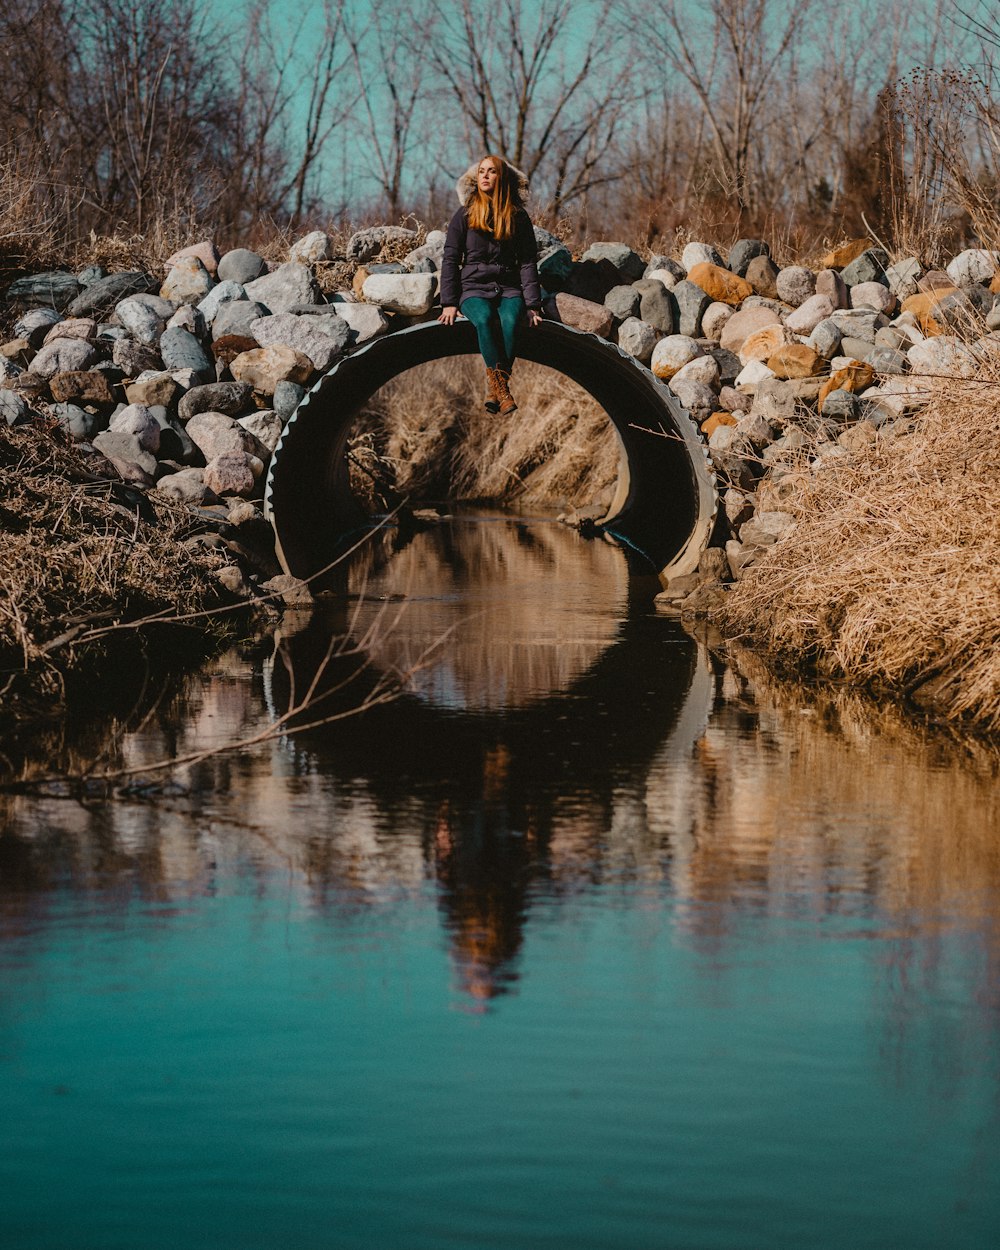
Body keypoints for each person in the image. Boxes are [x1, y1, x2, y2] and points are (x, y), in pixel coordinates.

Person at [438, 154, 544, 416]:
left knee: (511, 320)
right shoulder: (464, 214)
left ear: (502, 178)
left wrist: (532, 304)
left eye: (491, 171)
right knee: (484, 319)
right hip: (472, 288)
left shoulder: (518, 218)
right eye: (481, 171)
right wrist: (449, 302)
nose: (484, 175)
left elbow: (528, 262)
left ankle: (496, 388)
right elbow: (451, 259)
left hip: (508, 287)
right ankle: (502, 391)